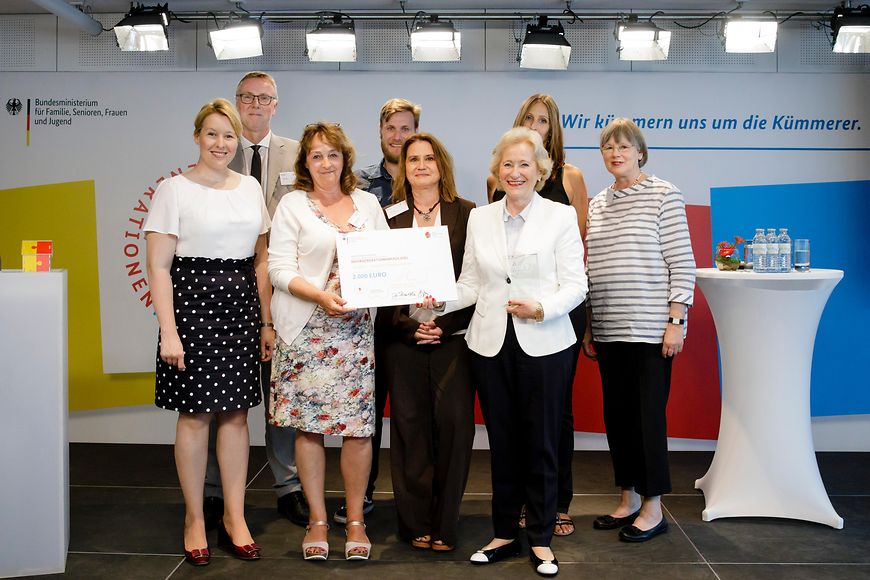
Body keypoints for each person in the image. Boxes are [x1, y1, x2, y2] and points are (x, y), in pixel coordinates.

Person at [422, 127, 586, 577]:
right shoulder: (481, 218)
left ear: (540, 171)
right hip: (489, 345)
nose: (515, 172)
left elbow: (576, 286)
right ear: (497, 171)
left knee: (543, 443)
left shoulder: (559, 217)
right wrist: (438, 299)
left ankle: (541, 538)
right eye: (508, 165)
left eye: (525, 165)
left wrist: (542, 308)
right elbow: (472, 284)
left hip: (546, 342)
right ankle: (503, 533)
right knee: (503, 444)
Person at [145, 98, 271, 565]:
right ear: (197, 136)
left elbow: (259, 260)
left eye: (229, 135)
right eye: (213, 133)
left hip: (240, 309)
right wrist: (168, 332)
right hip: (191, 310)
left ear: (238, 140)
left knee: (237, 416)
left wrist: (265, 320)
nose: (221, 143)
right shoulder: (173, 190)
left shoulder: (250, 188)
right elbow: (159, 267)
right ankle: (195, 517)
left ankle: (235, 517)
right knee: (195, 417)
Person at [268, 122, 389, 561]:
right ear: (305, 162)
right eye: (316, 155)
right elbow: (279, 269)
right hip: (306, 330)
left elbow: (388, 262)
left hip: (355, 332)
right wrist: (320, 295)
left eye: (332, 155)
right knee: (310, 428)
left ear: (345, 160)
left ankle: (355, 519)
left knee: (358, 430)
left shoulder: (368, 203)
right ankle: (318, 519)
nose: (325, 163)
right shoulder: (292, 206)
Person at [203, 71, 309, 529]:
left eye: (264, 98)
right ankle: (211, 490)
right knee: (216, 397)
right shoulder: (217, 155)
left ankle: (287, 486)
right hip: (221, 292)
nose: (255, 104)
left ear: (276, 104)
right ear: (236, 102)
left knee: (278, 394)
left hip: (280, 291)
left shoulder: (298, 155)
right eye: (246, 97)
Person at [582, 118, 696, 543]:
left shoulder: (665, 194)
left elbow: (682, 263)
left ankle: (653, 507)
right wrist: (592, 326)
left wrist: (675, 321)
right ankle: (628, 498)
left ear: (640, 153)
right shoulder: (598, 204)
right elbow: (594, 270)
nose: (616, 153)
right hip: (610, 328)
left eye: (624, 147)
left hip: (651, 329)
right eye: (608, 148)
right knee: (619, 418)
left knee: (647, 419)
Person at [487, 93, 589, 537]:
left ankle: (554, 506)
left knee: (553, 419)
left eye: (543, 120)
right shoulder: (495, 194)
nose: (535, 124)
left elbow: (576, 261)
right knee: (512, 425)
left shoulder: (569, 183)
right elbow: (489, 267)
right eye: (528, 118)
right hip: (501, 321)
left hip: (555, 315)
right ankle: (520, 513)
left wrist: (546, 307)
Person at [379, 133, 476, 552]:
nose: (420, 165)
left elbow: (478, 279)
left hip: (453, 338)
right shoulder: (387, 217)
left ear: (442, 165)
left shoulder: (468, 213)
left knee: (454, 427)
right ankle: (415, 522)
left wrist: (445, 321)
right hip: (403, 340)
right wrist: (408, 325)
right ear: (403, 168)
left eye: (428, 158)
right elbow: (378, 284)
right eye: (412, 159)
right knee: (409, 429)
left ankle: (445, 523)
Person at [334, 97, 422, 525]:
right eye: (392, 128)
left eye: (406, 129)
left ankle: (413, 498)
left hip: (411, 315)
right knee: (365, 410)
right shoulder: (360, 184)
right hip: (368, 315)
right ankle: (361, 496)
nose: (398, 136)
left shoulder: (426, 177)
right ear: (380, 131)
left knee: (408, 413)